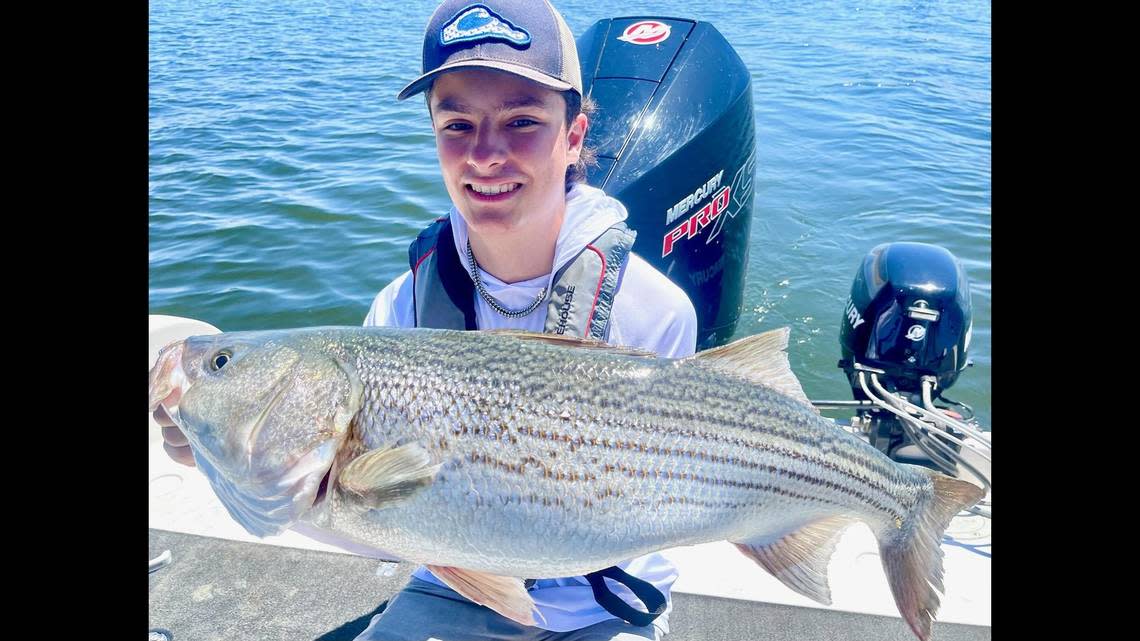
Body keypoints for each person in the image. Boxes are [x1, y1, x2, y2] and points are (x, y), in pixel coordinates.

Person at [158, 1, 697, 639]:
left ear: (574, 135)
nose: (486, 154)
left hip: (605, 609)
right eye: (456, 125)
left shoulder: (653, 310)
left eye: (521, 121)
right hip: (450, 597)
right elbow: (375, 521)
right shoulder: (400, 309)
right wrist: (225, 457)